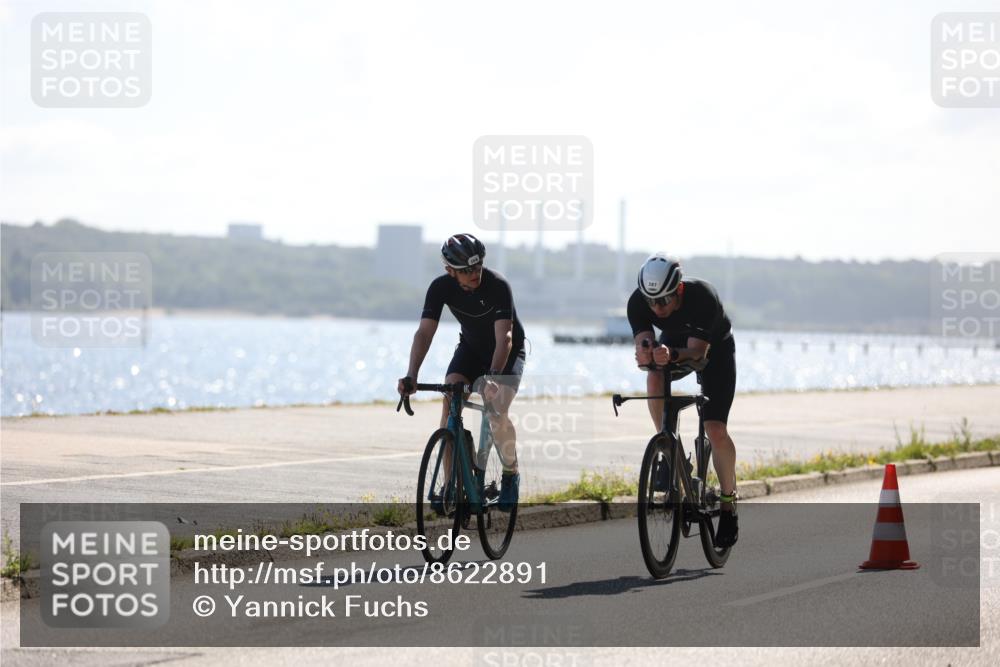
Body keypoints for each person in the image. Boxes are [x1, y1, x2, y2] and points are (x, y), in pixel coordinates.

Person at [397, 233, 526, 511]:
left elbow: (505, 337)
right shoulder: (440, 287)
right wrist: (412, 375)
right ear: (450, 271)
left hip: (507, 352)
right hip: (470, 349)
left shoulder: (498, 285)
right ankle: (450, 485)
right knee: (450, 397)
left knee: (496, 409)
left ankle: (511, 474)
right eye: (467, 271)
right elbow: (424, 333)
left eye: (478, 266)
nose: (475, 274)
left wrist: (492, 377)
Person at [627, 253, 739, 547]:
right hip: (674, 344)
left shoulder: (702, 296)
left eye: (663, 301)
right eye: (651, 302)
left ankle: (728, 506)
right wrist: (645, 352)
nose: (656, 308)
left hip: (714, 353)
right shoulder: (639, 302)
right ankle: (666, 446)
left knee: (715, 429)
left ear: (678, 290)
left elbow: (698, 354)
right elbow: (644, 340)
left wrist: (671, 355)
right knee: (653, 375)